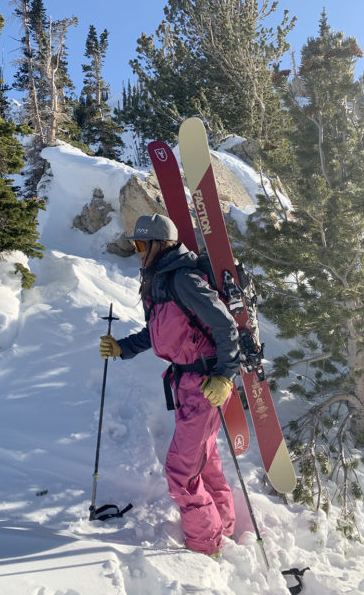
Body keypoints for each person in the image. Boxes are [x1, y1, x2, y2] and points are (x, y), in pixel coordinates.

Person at [99, 214, 240, 557]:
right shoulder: (159, 281)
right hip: (186, 385)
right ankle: (223, 526)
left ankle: (206, 546)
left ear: (159, 244)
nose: (137, 251)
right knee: (204, 462)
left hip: (205, 385)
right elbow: (159, 331)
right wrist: (123, 348)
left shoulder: (183, 280)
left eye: (141, 245)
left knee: (180, 472)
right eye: (135, 245)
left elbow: (226, 328)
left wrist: (225, 375)